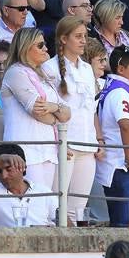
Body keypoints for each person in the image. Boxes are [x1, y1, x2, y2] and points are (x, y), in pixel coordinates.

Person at [43, 16, 98, 223]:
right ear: (64, 39)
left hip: (87, 144)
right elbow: (50, 110)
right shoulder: (50, 68)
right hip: (65, 145)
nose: (83, 41)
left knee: (78, 208)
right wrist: (58, 143)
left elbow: (91, 110)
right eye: (78, 36)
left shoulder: (86, 69)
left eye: (85, 36)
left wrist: (98, 140)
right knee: (57, 205)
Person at [1, 28, 69, 189]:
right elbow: (38, 113)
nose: (46, 48)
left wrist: (53, 107)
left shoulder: (44, 74)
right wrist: (57, 116)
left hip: (48, 150)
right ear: (25, 47)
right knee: (33, 203)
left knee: (48, 206)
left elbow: (67, 112)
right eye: (40, 45)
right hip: (26, 151)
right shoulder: (15, 72)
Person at [96, 45, 129, 227]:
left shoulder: (117, 89)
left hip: (124, 164)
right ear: (121, 69)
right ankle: (121, 254)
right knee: (121, 221)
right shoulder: (119, 93)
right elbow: (125, 126)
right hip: (119, 165)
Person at [0, 143, 58, 227]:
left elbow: (67, 224)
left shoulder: (43, 191)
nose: (4, 176)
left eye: (9, 169)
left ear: (22, 167)